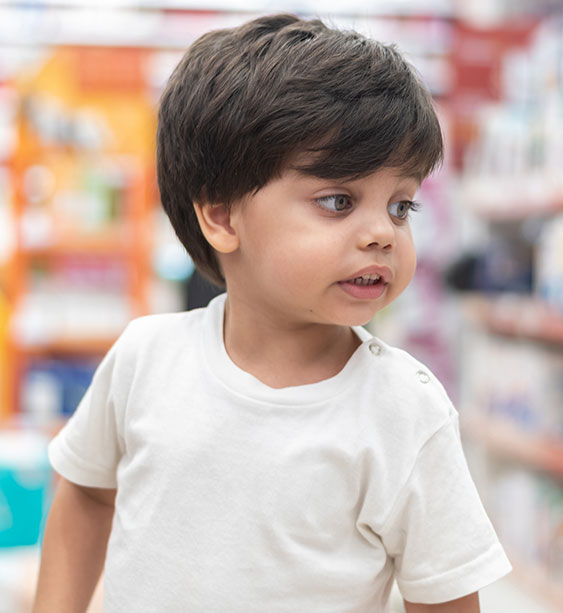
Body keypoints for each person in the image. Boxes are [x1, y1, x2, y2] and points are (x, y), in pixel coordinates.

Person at [33, 13, 511, 612]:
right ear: (222, 217)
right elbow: (85, 490)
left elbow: (443, 598)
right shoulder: (145, 359)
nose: (382, 235)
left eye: (400, 206)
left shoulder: (405, 411)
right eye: (338, 201)